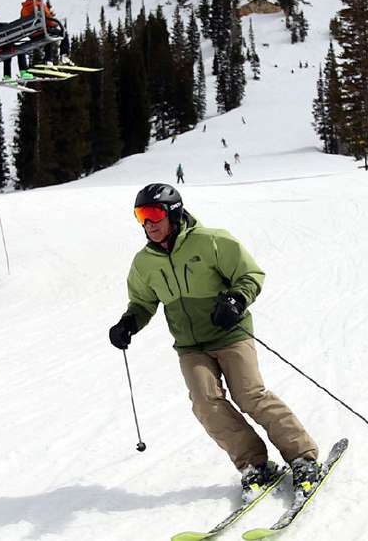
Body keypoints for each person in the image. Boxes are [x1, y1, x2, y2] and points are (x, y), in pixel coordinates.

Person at [110, 184, 323, 501]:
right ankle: (254, 464)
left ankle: (303, 458)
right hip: (190, 345)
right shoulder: (144, 263)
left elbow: (250, 274)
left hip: (230, 334)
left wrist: (236, 301)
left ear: (174, 213)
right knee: (205, 404)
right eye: (141, 215)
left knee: (249, 395)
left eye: (154, 214)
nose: (148, 223)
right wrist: (129, 323)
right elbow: (142, 303)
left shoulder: (211, 241)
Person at [21, 0, 72, 65]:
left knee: (47, 36)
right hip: (40, 31)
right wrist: (55, 24)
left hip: (31, 34)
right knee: (63, 33)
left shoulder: (24, 8)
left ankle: (48, 60)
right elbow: (49, 20)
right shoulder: (39, 4)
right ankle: (64, 55)